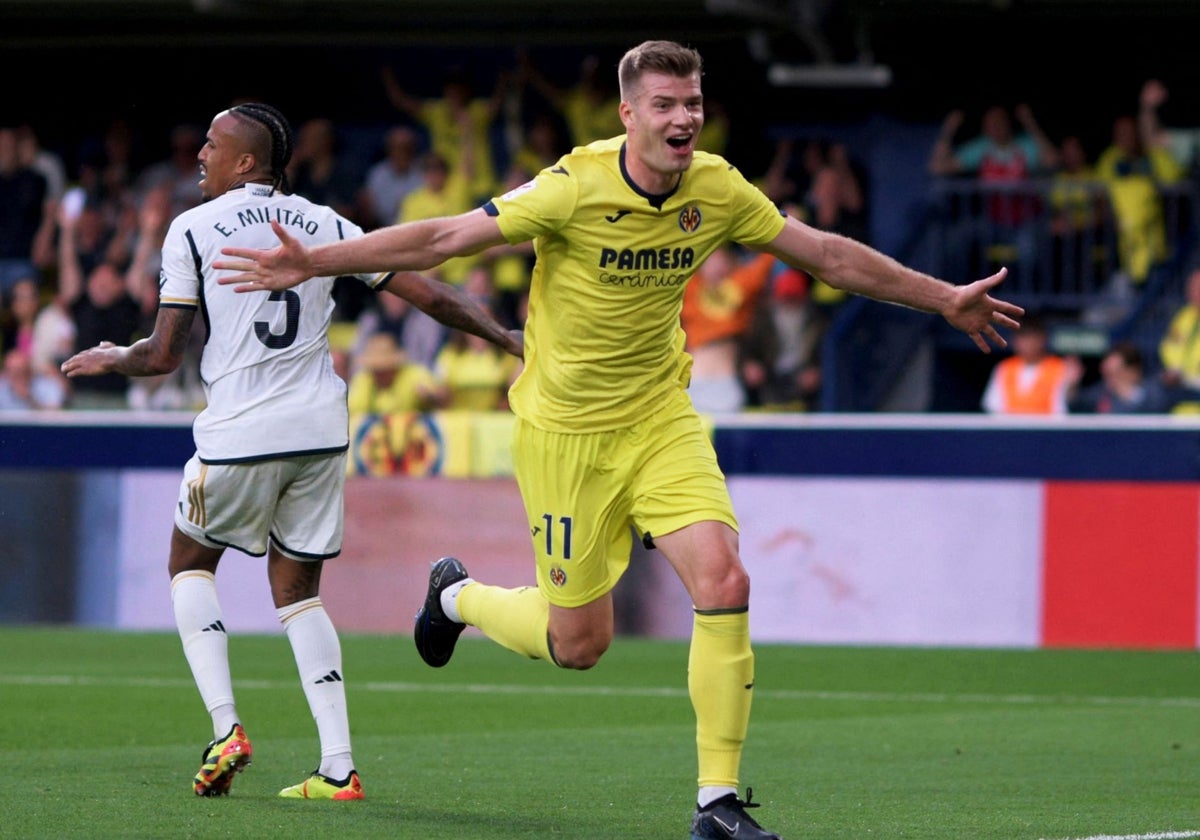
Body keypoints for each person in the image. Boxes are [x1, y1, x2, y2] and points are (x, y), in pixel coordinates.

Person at [213, 42, 1023, 839]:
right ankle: (455, 598)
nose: (683, 120)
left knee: (725, 578)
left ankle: (718, 802)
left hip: (661, 420)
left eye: (693, 105)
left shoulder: (716, 187)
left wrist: (942, 296)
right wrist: (317, 259)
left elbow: (826, 255)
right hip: (565, 435)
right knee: (579, 644)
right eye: (665, 106)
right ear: (629, 113)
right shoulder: (572, 185)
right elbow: (444, 240)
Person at [60, 102, 520, 801]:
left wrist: (113, 356)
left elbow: (162, 356)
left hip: (243, 429)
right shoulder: (326, 223)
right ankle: (339, 766)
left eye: (212, 145)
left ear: (246, 160)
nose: (200, 156)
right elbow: (427, 292)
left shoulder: (191, 227)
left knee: (188, 561)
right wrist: (509, 337)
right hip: (320, 432)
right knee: (298, 593)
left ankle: (225, 729)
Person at [980, 315, 1073, 415]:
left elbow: (1062, 408)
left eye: (1032, 337)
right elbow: (993, 408)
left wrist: (1072, 386)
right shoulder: (1004, 368)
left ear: (1042, 338)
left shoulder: (1060, 367)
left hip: (1046, 428)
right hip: (1011, 428)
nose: (1027, 343)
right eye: (1023, 337)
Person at [347, 331, 448, 415]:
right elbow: (353, 411)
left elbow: (444, 398)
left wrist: (430, 398)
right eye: (375, 369)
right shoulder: (363, 379)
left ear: (395, 365)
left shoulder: (415, 375)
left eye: (384, 369)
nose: (379, 374)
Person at [1068, 340, 1170, 414]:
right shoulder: (1101, 393)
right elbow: (1077, 405)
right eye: (1107, 373)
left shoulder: (1153, 392)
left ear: (1133, 372)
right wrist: (1072, 386)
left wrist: (1125, 393)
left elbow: (1155, 410)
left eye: (1116, 373)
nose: (1111, 379)